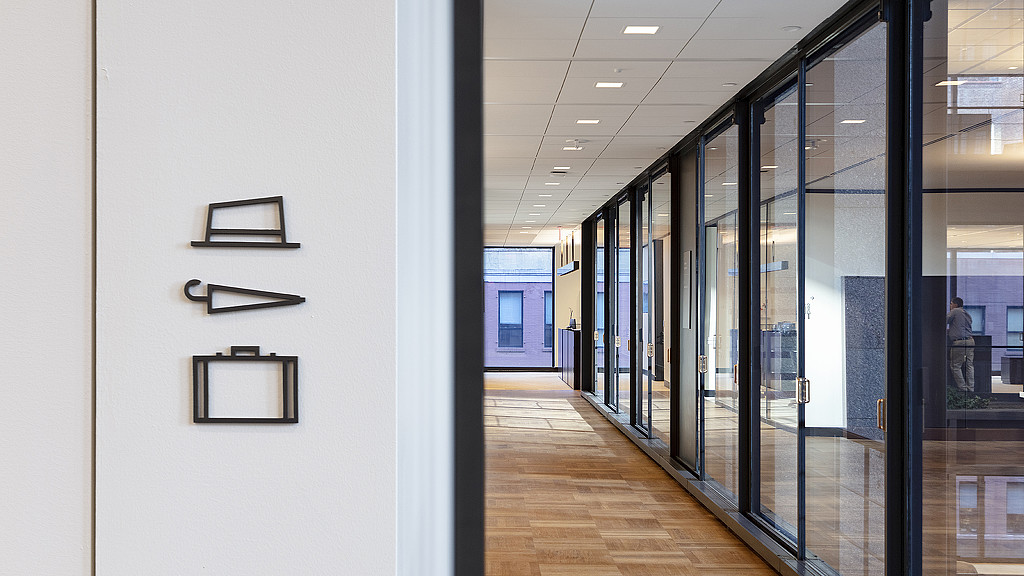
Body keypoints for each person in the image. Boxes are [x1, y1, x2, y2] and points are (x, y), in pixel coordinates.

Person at [946, 297, 975, 392]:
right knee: (969, 365)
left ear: (955, 304)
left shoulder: (955, 311)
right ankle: (971, 388)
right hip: (970, 340)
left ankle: (963, 389)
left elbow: (944, 320)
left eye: (951, 303)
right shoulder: (966, 313)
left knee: (955, 366)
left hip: (959, 342)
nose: (950, 306)